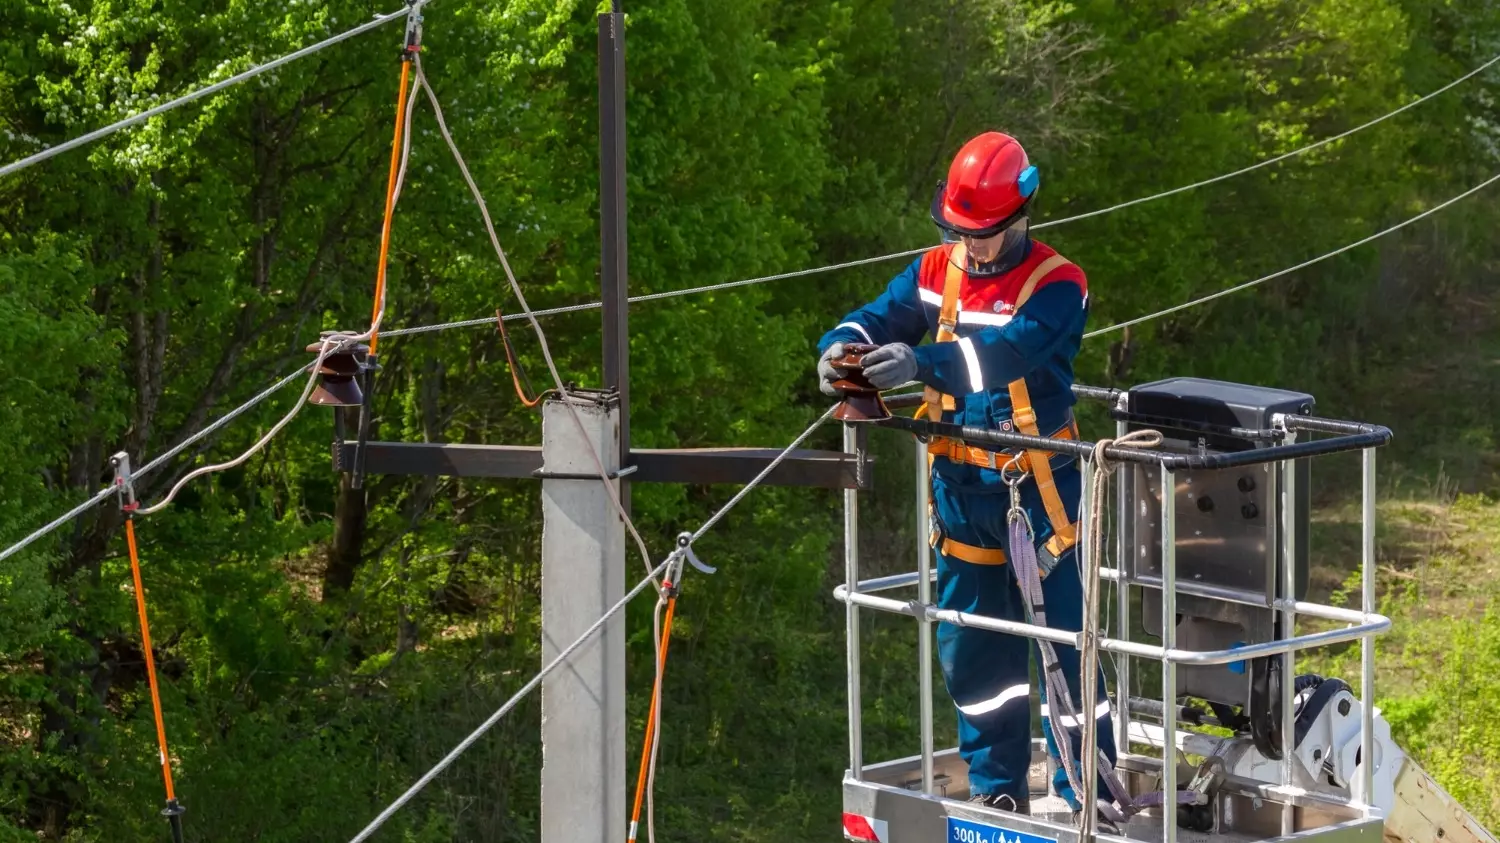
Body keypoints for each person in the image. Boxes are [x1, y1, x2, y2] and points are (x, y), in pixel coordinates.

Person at [815, 131, 1118, 828]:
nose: (971, 247)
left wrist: (923, 364)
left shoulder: (1057, 285)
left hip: (1038, 496)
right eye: (960, 232)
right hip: (958, 495)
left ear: (1021, 216)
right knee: (974, 649)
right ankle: (997, 785)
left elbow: (1002, 354)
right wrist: (839, 347)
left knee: (1067, 646)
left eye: (982, 234)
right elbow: (873, 314)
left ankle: (1088, 792)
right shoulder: (932, 272)